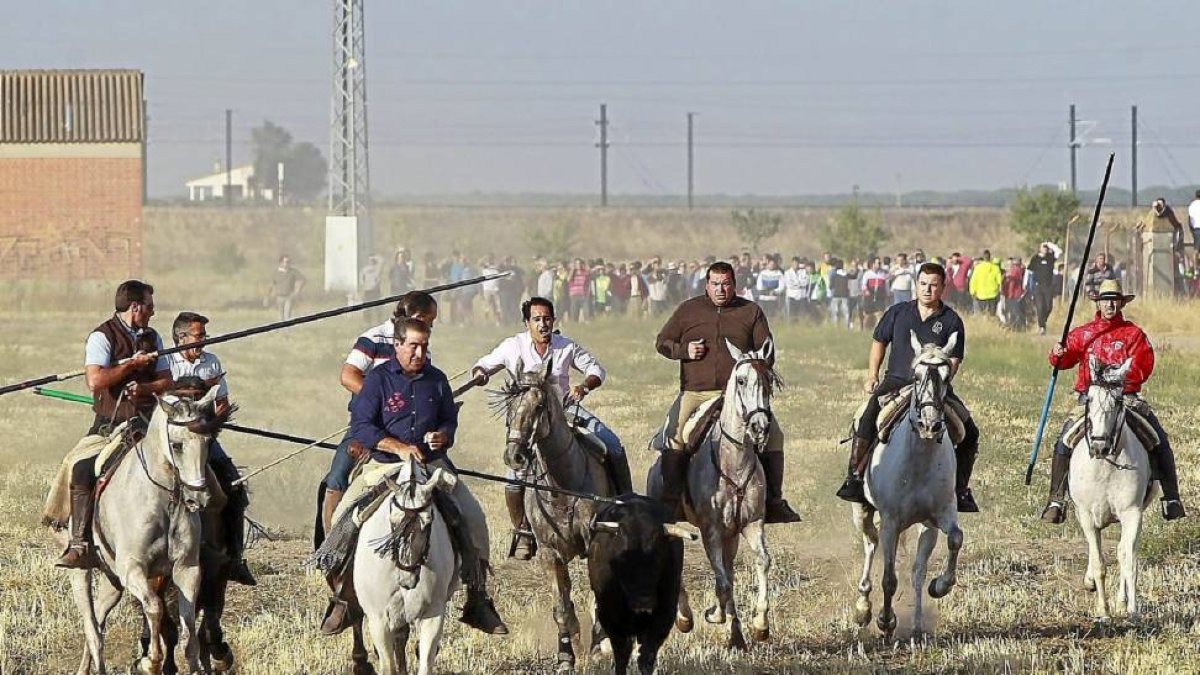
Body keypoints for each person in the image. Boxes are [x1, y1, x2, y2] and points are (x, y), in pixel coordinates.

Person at [341, 317, 508, 634]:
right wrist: (398, 447)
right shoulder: (377, 380)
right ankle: (343, 595)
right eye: (413, 345)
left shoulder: (437, 380)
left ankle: (478, 597)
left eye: (424, 346)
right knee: (342, 515)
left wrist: (443, 437)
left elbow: (449, 421)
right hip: (383, 466)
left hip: (432, 467)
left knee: (474, 517)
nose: (419, 352)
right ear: (398, 345)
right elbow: (361, 427)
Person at [471, 297, 632, 560]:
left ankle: (625, 505)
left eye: (547, 318)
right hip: (527, 418)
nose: (543, 324)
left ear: (553, 320)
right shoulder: (513, 346)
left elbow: (596, 369)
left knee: (612, 445)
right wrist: (480, 372)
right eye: (537, 319)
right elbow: (484, 364)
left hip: (564, 410)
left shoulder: (566, 346)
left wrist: (584, 386)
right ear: (527, 323)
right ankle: (523, 531)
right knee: (515, 473)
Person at [654, 262, 802, 525]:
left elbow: (767, 352)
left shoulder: (750, 311)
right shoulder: (689, 310)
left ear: (735, 284)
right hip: (696, 391)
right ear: (706, 285)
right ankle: (671, 501)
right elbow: (662, 342)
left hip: (738, 395)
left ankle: (773, 501)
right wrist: (683, 351)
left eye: (726, 283)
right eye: (715, 284)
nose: (720, 289)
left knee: (774, 435)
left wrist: (752, 369)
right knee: (674, 435)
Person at [836, 262, 981, 513]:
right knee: (867, 418)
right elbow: (879, 342)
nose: (927, 289)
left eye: (933, 285)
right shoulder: (898, 312)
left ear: (942, 288)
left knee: (970, 432)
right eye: (923, 284)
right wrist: (872, 375)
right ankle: (855, 478)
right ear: (916, 285)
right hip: (896, 381)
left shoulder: (951, 320)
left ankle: (960, 489)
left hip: (935, 387)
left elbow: (954, 359)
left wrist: (941, 381)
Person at [1040, 279, 1186, 524]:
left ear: (1121, 303)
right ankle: (1056, 500)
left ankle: (1171, 498)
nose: (1110, 304)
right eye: (1105, 300)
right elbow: (1063, 362)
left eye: (1114, 300)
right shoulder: (1084, 333)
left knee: (1158, 438)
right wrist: (1057, 354)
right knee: (1064, 439)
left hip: (1125, 398)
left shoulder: (1134, 334)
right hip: (1091, 400)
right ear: (1099, 303)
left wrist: (1120, 380)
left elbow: (1144, 366)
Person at [57, 280, 174, 568]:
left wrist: (146, 390)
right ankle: (80, 544)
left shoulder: (154, 337)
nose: (153, 311)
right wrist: (131, 365)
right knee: (82, 469)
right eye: (149, 306)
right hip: (112, 425)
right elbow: (95, 381)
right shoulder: (101, 337)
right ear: (135, 307)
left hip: (150, 423)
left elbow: (167, 380)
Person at [321, 292, 440, 535]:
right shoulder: (373, 338)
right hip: (369, 426)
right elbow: (348, 375)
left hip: (410, 432)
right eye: (429, 319)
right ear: (415, 316)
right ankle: (330, 549)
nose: (431, 325)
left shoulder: (422, 350)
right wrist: (382, 400)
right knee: (338, 476)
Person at [167, 312, 256, 586]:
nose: (204, 341)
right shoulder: (165, 361)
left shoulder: (211, 363)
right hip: (170, 439)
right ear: (181, 337)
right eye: (199, 335)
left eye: (204, 335)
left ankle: (235, 558)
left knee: (234, 486)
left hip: (203, 439)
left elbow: (222, 405)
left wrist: (210, 428)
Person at [1028, 243, 1057, 335]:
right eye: (1043, 248)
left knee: (1048, 306)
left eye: (1046, 248)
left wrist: (1050, 244)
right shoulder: (1035, 259)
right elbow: (1029, 272)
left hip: (1048, 286)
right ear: (1040, 249)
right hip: (1038, 286)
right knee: (1040, 307)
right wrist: (1028, 286)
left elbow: (1059, 251)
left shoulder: (1050, 258)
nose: (1045, 249)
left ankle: (1043, 321)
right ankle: (1042, 327)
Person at [268, 255, 305, 321]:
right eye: (286, 262)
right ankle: (281, 328)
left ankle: (287, 329)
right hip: (279, 296)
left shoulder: (293, 271)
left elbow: (302, 279)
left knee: (287, 313)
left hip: (289, 295)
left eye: (289, 262)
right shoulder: (276, 272)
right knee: (280, 314)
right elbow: (271, 284)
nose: (287, 264)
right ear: (281, 262)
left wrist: (298, 290)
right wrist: (269, 295)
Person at [969, 251, 1002, 317]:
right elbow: (999, 282)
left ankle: (984, 325)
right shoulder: (995, 268)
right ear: (990, 257)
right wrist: (999, 292)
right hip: (992, 295)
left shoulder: (978, 268)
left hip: (980, 295)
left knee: (982, 314)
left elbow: (973, 281)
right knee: (991, 315)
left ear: (983, 258)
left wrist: (972, 292)